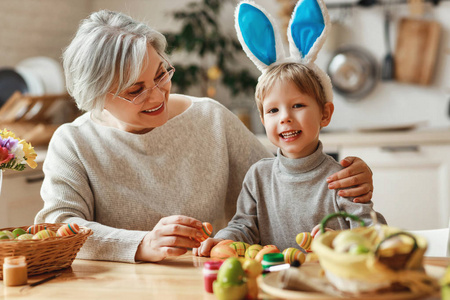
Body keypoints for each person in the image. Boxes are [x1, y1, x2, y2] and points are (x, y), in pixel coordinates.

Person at [35, 10, 374, 263]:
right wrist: (142, 244)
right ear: (97, 96)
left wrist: (346, 176)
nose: (157, 96)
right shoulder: (74, 143)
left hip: (210, 283)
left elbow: (283, 184)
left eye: (160, 75)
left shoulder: (210, 117)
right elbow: (59, 225)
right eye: (136, 89)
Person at [194, 63, 387, 256]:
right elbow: (244, 227)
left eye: (297, 105)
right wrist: (222, 239)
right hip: (272, 282)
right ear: (263, 120)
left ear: (325, 114)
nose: (285, 117)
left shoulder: (341, 179)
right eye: (273, 110)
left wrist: (337, 240)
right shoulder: (258, 176)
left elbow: (374, 234)